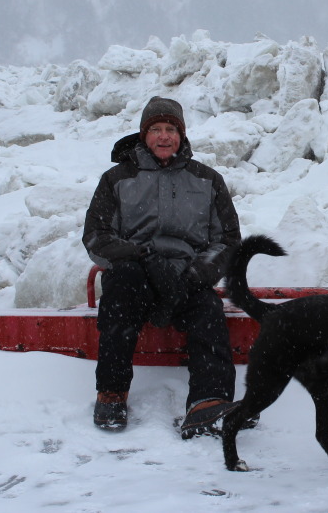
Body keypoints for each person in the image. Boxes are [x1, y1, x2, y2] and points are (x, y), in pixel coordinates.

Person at [83, 96, 246, 438]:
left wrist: (197, 273)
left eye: (170, 129)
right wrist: (140, 257)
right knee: (119, 295)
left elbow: (228, 240)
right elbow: (97, 237)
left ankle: (208, 401)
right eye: (155, 129)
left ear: (181, 135)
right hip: (135, 273)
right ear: (143, 134)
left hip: (186, 276)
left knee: (208, 312)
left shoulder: (207, 180)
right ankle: (111, 393)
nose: (163, 136)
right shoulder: (116, 178)